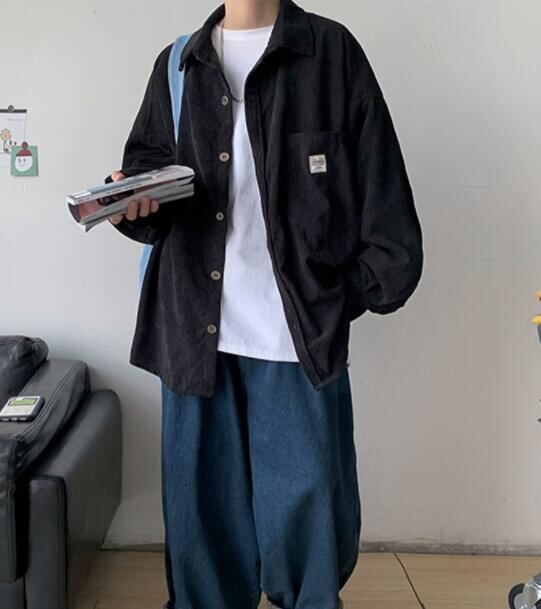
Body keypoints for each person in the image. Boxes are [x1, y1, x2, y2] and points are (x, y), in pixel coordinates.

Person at [107, 1, 423, 608]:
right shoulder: (177, 64)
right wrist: (131, 201)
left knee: (310, 529)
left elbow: (384, 201)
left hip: (295, 341)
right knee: (202, 539)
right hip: (192, 339)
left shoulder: (331, 53)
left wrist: (336, 298)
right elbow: (150, 178)